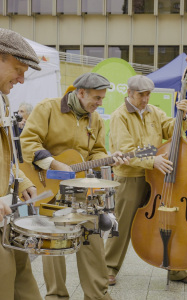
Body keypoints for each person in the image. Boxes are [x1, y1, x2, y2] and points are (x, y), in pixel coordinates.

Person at [21, 72, 129, 300]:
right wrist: (54, 163)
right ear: (80, 93)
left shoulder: (95, 119)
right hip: (47, 186)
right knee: (53, 243)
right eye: (97, 98)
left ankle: (97, 295)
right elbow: (28, 142)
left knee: (93, 237)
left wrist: (110, 157)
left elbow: (97, 151)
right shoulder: (48, 108)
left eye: (102, 99)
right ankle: (56, 295)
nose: (100, 103)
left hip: (80, 188)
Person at [105, 75, 187, 286]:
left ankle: (176, 269)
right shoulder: (119, 116)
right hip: (131, 177)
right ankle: (108, 268)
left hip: (155, 177)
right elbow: (127, 151)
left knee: (169, 222)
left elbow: (174, 130)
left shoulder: (154, 111)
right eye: (141, 95)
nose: (146, 99)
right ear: (129, 93)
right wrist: (153, 160)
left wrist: (182, 116)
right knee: (121, 224)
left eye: (148, 95)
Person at [0, 28, 42, 300]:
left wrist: (22, 180)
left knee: (26, 288)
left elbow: (6, 155)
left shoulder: (2, 98)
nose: (22, 79)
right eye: (18, 68)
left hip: (6, 218)